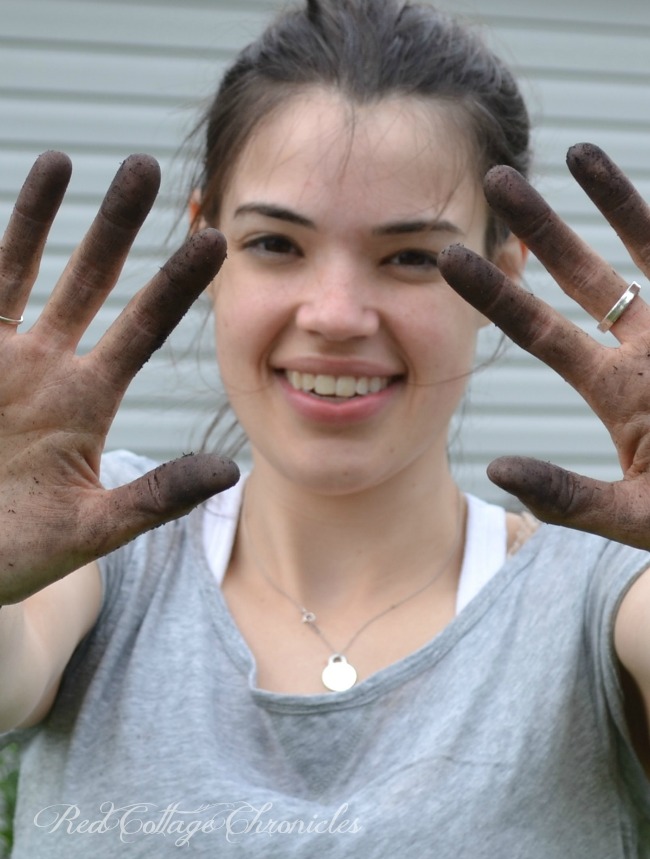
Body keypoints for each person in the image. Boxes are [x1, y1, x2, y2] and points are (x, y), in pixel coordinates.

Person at [0, 0, 648, 855]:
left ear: (505, 275)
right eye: (275, 243)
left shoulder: (603, 596)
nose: (337, 315)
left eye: (413, 256)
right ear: (207, 248)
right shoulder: (92, 541)